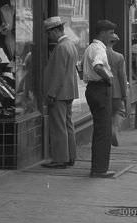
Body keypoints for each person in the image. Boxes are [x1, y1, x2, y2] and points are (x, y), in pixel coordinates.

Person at [41, 16, 79, 168]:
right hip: (68, 92)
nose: (48, 36)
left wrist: (51, 93)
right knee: (68, 124)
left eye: (49, 33)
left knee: (58, 127)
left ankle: (60, 159)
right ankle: (70, 156)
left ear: (56, 31)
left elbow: (58, 73)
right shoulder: (70, 44)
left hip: (59, 93)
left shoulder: (61, 47)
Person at [82, 19, 116, 177]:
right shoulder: (99, 49)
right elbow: (97, 65)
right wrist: (108, 78)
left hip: (92, 89)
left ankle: (98, 167)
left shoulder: (90, 47)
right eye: (110, 33)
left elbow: (80, 67)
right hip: (100, 88)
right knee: (104, 131)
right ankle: (100, 169)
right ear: (102, 33)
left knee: (100, 129)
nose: (112, 36)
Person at [106, 33, 129, 146]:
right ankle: (113, 129)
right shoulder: (119, 56)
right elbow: (122, 76)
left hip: (103, 88)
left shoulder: (100, 53)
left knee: (106, 112)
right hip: (116, 89)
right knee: (120, 111)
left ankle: (107, 133)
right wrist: (124, 94)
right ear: (114, 42)